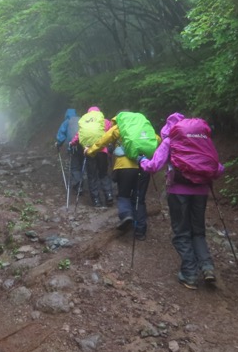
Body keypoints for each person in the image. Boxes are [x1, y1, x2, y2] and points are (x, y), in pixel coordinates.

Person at [139, 112, 225, 290]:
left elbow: (153, 166)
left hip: (178, 191)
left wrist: (142, 160)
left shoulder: (170, 140)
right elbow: (218, 169)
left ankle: (190, 274)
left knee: (182, 232)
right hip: (201, 192)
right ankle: (207, 267)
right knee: (198, 231)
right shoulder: (201, 141)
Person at [84, 113, 150, 239]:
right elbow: (157, 140)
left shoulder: (119, 127)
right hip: (143, 166)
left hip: (124, 167)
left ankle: (126, 215)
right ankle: (140, 231)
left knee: (124, 195)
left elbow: (103, 140)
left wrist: (90, 151)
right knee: (139, 199)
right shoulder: (143, 128)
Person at [70, 106, 114, 208]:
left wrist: (72, 143)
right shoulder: (104, 121)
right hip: (102, 151)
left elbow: (78, 135)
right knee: (103, 173)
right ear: (99, 112)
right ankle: (109, 195)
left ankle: (96, 200)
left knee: (92, 176)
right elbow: (111, 133)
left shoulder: (85, 122)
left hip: (89, 151)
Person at [55, 108, 84, 198]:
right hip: (83, 146)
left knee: (75, 167)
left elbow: (61, 135)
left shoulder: (67, 122)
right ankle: (83, 182)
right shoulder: (81, 119)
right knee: (82, 164)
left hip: (73, 147)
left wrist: (58, 144)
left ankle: (78, 186)